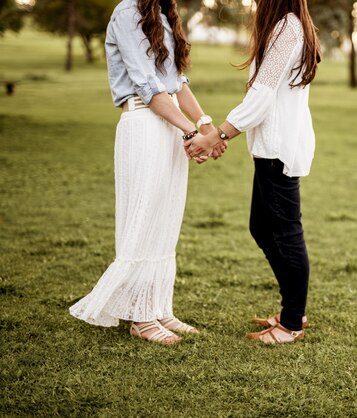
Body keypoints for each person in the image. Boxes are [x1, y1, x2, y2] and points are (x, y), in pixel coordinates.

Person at [69, 0, 227, 345]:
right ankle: (140, 320)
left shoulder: (165, 16)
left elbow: (176, 82)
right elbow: (148, 87)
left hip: (170, 125)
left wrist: (206, 127)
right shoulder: (128, 13)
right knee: (142, 217)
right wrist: (191, 133)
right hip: (143, 122)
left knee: (165, 219)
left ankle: (158, 307)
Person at [185, 0, 321, 344]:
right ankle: (293, 310)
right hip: (270, 148)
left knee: (286, 232)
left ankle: (291, 323)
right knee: (261, 227)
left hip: (278, 149)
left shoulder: (286, 29)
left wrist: (217, 134)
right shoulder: (287, 28)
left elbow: (260, 98)